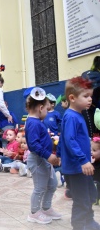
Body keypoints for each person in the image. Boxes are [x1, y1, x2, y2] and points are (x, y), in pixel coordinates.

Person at [58, 77, 99, 229]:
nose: (90, 99)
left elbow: (66, 139)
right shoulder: (70, 116)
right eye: (86, 96)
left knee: (90, 196)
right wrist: (83, 160)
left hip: (82, 166)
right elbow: (69, 140)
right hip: (77, 168)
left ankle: (89, 221)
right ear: (72, 98)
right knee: (81, 199)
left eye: (91, 96)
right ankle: (80, 225)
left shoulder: (78, 114)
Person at [25, 87, 61, 224]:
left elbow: (39, 140)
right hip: (38, 160)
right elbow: (33, 145)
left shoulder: (36, 122)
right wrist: (48, 155)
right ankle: (34, 213)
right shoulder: (33, 123)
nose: (47, 111)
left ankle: (46, 208)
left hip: (44, 159)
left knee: (52, 184)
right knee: (40, 187)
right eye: (46, 109)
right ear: (40, 108)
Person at [81, 56, 100, 137]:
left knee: (90, 134)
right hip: (95, 108)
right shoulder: (98, 75)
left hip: (86, 108)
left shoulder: (86, 74)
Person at [91, 137, 100, 205]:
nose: (91, 152)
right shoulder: (91, 162)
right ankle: (95, 199)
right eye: (91, 150)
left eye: (94, 150)